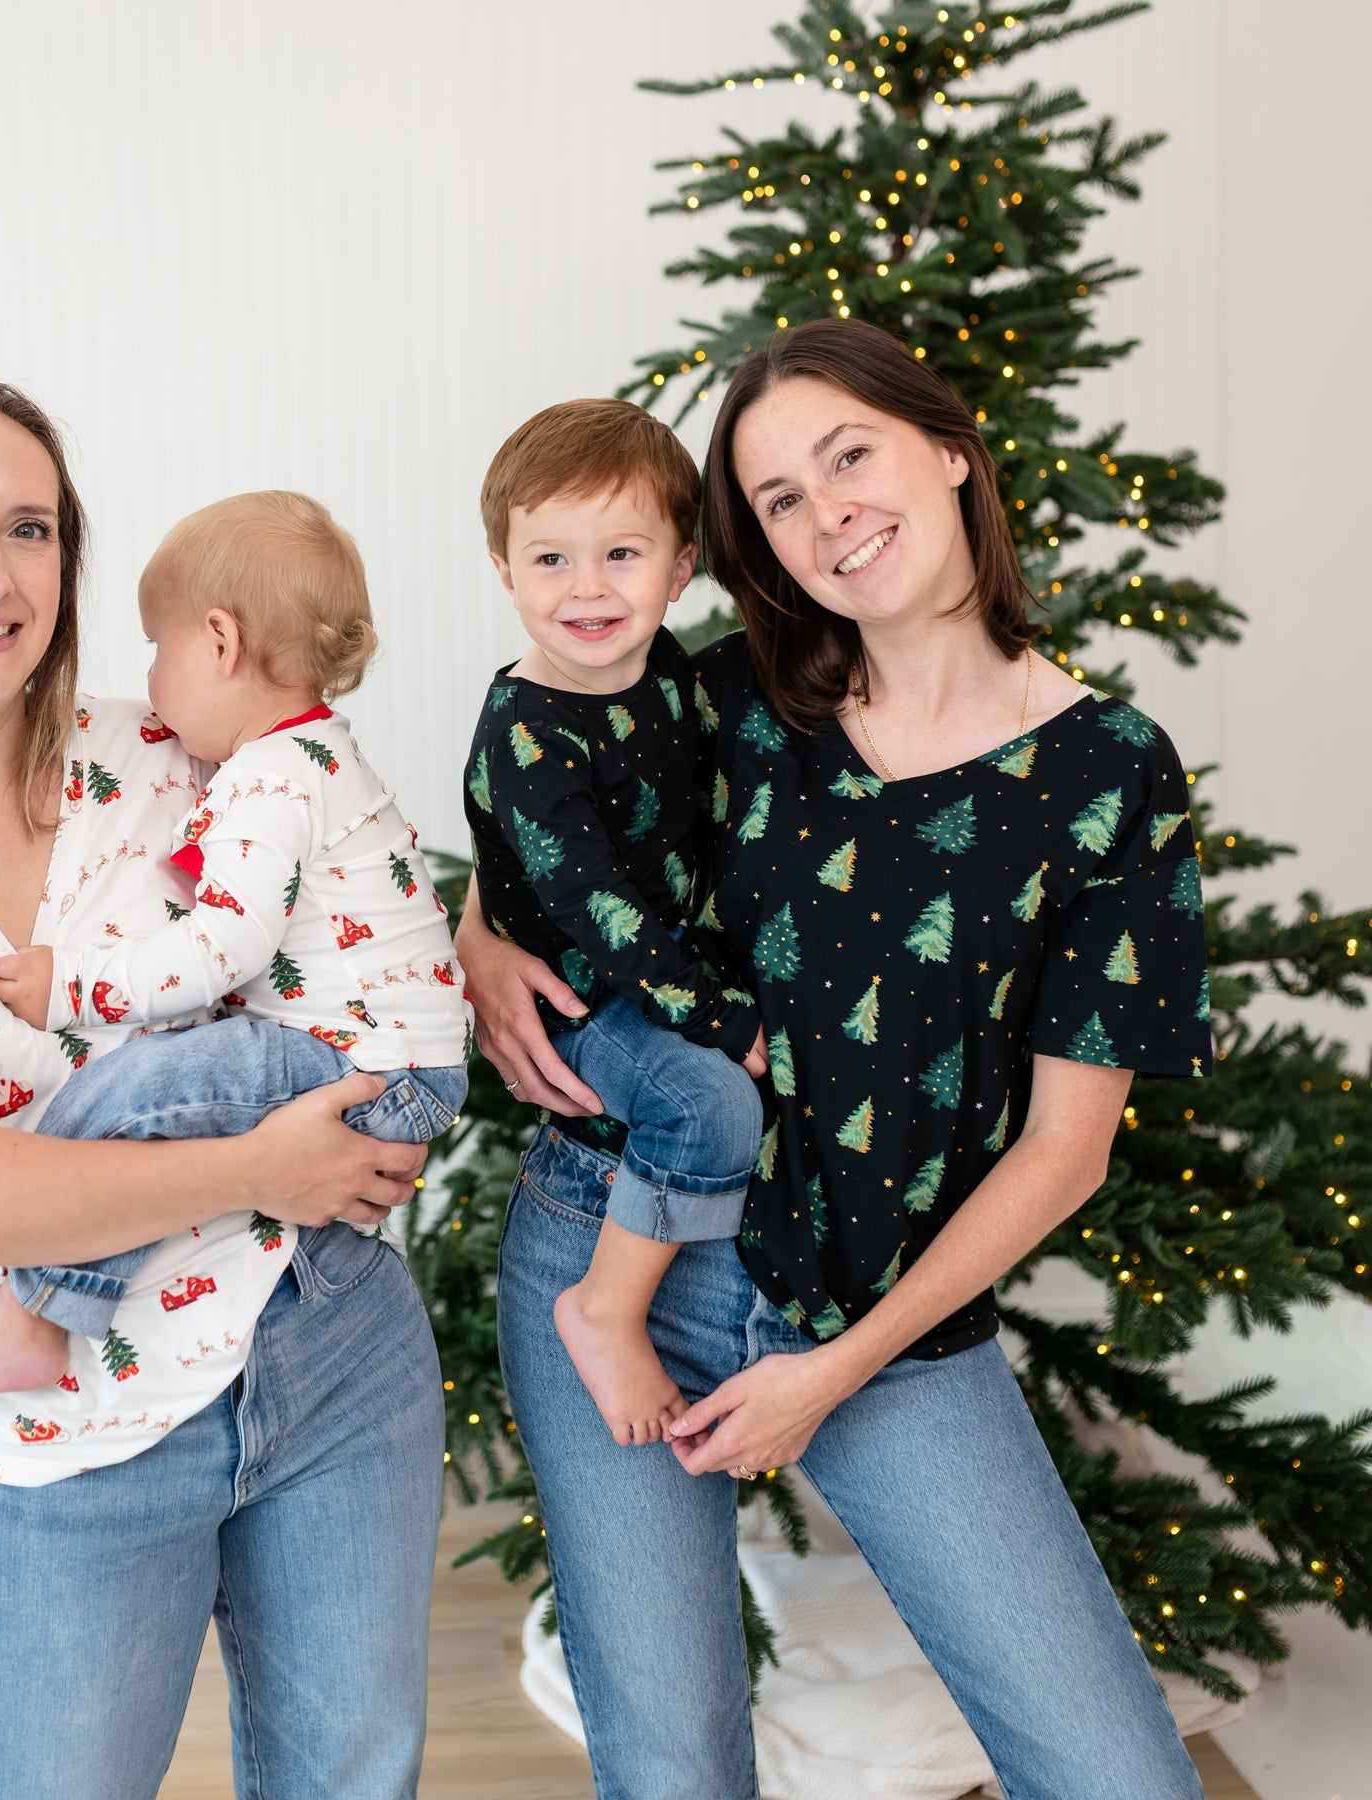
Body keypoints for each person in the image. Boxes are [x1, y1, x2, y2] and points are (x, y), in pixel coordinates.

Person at [457, 319, 1210, 1800]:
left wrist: (837, 1368)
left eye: (848, 456)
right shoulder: (725, 692)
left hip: (882, 1315)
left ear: (948, 450)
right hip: (613, 1257)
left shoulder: (1110, 775)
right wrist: (481, 934)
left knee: (1119, 1775)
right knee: (671, 1771)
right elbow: (544, 801)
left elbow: (1066, 1149)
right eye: (780, 500)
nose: (826, 513)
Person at [0, 380, 443, 1800]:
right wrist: (252, 1171)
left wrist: (483, 950)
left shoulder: (174, 746)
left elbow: (354, 878)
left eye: (30, 528)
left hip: (332, 1346)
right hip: (62, 1443)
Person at [0, 490, 469, 1412]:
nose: (151, 679)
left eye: (158, 649)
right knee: (148, 1096)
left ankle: (35, 1317)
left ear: (219, 642)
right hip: (390, 1057)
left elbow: (223, 949)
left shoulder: (272, 782)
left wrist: (69, 984)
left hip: (365, 1065)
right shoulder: (309, 756)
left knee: (122, 1097)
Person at [465, 400, 767, 1447]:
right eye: (550, 558)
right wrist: (729, 1022)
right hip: (583, 998)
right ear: (505, 570)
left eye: (621, 554)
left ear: (680, 569)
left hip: (653, 972)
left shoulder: (675, 673)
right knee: (712, 1106)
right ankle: (606, 1306)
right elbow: (605, 922)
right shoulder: (527, 735)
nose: (586, 588)